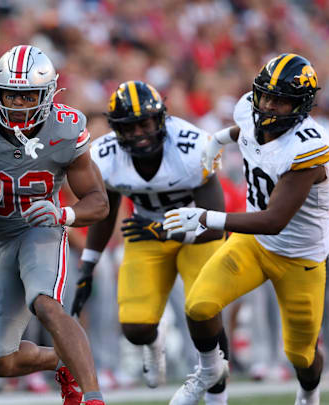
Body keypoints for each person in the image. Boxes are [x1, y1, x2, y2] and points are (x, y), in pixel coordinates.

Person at [162, 54, 329, 405]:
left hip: (299, 257)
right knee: (198, 305)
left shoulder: (308, 147)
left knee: (301, 355)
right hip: (253, 244)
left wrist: (206, 218)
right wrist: (217, 139)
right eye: (266, 96)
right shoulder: (249, 108)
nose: (270, 106)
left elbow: (275, 220)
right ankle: (211, 369)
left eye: (281, 100)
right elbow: (246, 130)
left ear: (301, 106)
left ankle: (309, 393)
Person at [0, 45, 109, 405]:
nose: (19, 105)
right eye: (11, 96)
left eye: (28, 96)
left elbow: (99, 202)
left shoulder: (65, 128)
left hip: (41, 228)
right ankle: (64, 360)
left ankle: (93, 398)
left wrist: (62, 214)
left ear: (47, 94)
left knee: (46, 304)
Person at [70, 81, 229, 404]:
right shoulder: (105, 156)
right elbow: (105, 212)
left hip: (195, 235)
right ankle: (155, 345)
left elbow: (215, 225)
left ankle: (216, 396)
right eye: (130, 127)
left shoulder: (193, 147)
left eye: (145, 123)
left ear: (161, 120)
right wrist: (88, 265)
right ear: (117, 130)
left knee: (204, 309)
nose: (140, 133)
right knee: (135, 328)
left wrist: (163, 231)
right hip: (147, 235)